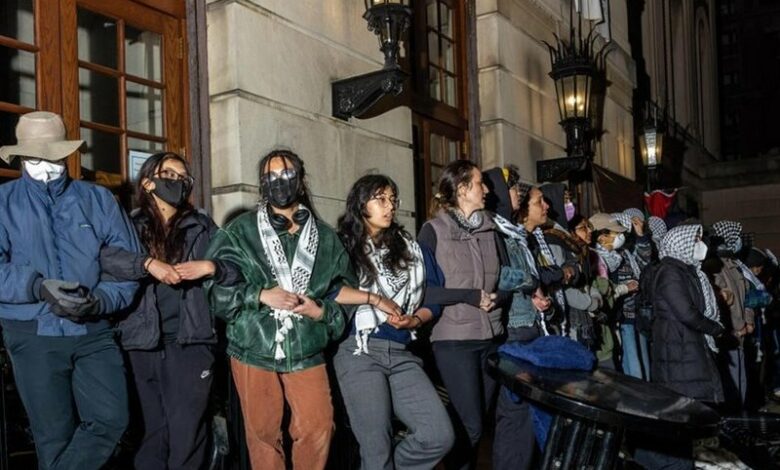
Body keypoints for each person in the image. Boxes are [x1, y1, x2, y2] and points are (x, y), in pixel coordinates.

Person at [0, 111, 141, 469]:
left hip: (94, 331)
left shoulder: (98, 200)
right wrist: (37, 286)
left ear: (65, 153)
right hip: (33, 334)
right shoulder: (3, 202)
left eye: (51, 155)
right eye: (34, 155)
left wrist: (101, 301)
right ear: (20, 156)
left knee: (111, 419)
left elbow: (128, 264)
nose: (44, 164)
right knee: (53, 436)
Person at [205, 149, 355, 470]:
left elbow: (345, 295)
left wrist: (323, 314)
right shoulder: (238, 231)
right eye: (271, 177)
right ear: (262, 184)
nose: (280, 183)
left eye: (287, 176)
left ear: (300, 181)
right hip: (252, 346)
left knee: (319, 427)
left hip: (307, 348)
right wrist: (259, 295)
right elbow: (214, 289)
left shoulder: (327, 239)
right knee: (262, 434)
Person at [99, 152, 241, 469]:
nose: (177, 182)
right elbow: (106, 259)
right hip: (139, 342)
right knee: (149, 432)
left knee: (189, 430)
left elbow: (238, 268)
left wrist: (210, 266)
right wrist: (147, 264)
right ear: (148, 182)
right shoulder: (129, 226)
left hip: (192, 342)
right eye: (169, 175)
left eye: (183, 177)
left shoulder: (202, 227)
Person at [332, 174, 454, 470]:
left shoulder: (412, 249)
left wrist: (416, 319)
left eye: (393, 200)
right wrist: (375, 299)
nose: (390, 207)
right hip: (359, 350)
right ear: (361, 203)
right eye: (381, 199)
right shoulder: (341, 245)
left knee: (438, 436)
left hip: (402, 352)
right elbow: (329, 291)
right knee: (376, 449)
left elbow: (434, 299)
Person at [417, 160, 508, 470]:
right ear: (462, 189)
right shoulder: (433, 231)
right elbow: (422, 291)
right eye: (480, 183)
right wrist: (469, 297)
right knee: (470, 425)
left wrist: (499, 297)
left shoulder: (491, 229)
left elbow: (508, 278)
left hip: (491, 337)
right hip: (453, 340)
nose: (486, 190)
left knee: (476, 422)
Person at [634, 224, 725, 469]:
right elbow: (686, 312)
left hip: (684, 346)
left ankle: (679, 462)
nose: (700, 243)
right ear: (680, 243)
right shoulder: (670, 272)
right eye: (695, 239)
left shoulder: (686, 270)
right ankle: (669, 463)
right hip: (677, 348)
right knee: (679, 412)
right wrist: (715, 328)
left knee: (684, 415)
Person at [707, 220, 751, 408]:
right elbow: (721, 303)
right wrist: (734, 330)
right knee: (732, 384)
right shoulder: (715, 267)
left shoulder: (736, 264)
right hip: (729, 335)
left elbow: (748, 297)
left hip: (741, 332)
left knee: (742, 381)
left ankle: (742, 419)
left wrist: (748, 321)